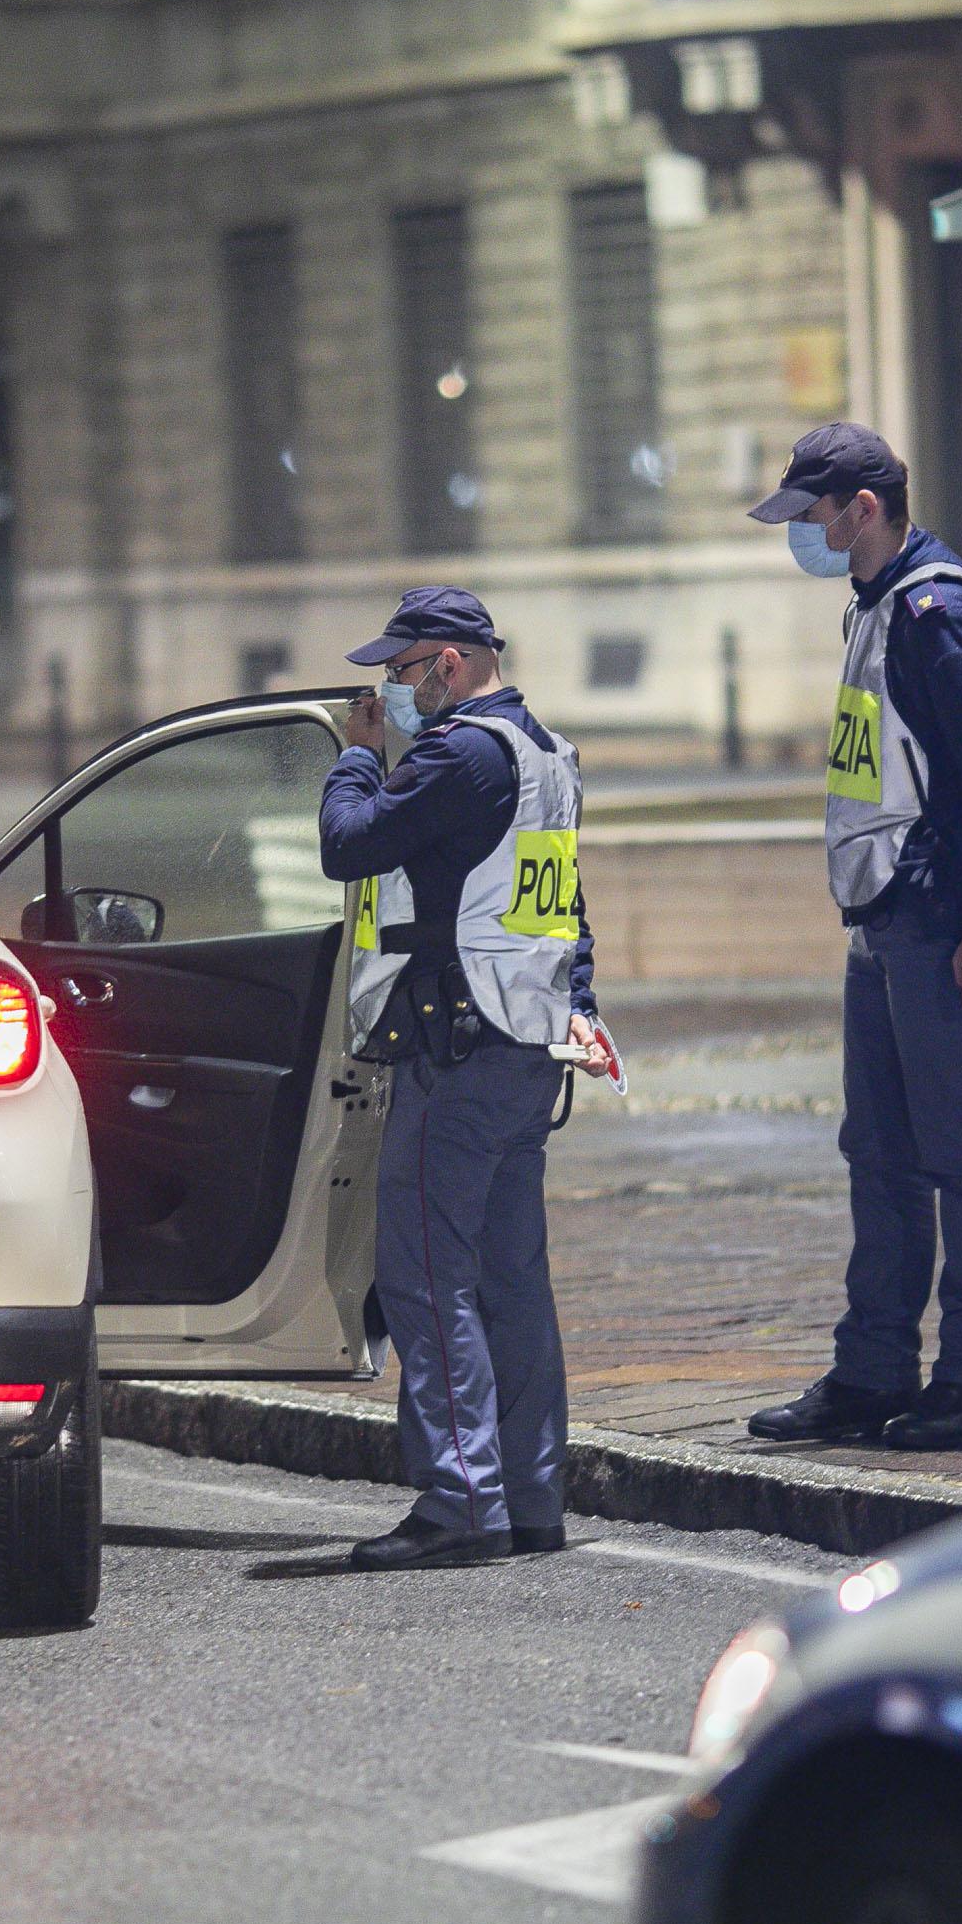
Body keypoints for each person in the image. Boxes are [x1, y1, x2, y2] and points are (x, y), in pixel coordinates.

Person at [743, 424, 962, 1455]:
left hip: (939, 919)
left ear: (862, 508)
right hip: (886, 920)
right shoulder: (877, 608)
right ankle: (873, 1369)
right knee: (879, 1153)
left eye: (813, 516)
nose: (805, 536)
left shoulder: (938, 612)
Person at [319, 587, 622, 1570]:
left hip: (455, 1050)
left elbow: (349, 842)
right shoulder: (545, 753)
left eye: (400, 672)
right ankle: (531, 1499)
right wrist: (577, 1008)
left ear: (447, 664)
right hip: (524, 1047)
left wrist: (359, 754)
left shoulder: (458, 754)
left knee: (423, 1272)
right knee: (511, 1285)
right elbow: (566, 907)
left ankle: (460, 1498)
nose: (392, 691)